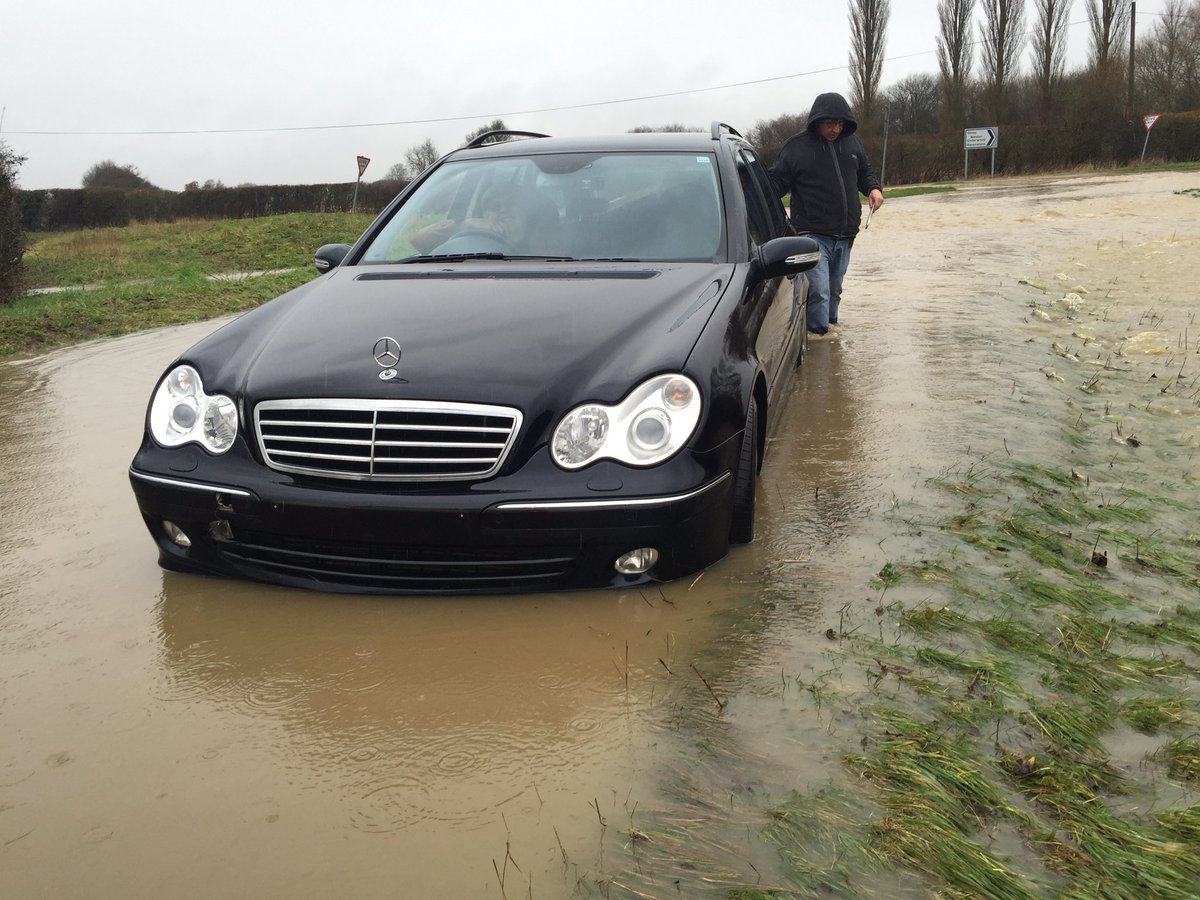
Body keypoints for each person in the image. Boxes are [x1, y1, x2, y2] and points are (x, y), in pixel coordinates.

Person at [769, 92, 883, 335]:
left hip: (845, 235)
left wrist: (873, 188)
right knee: (819, 291)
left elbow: (865, 172)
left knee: (834, 291)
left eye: (840, 124)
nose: (836, 129)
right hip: (811, 235)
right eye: (830, 123)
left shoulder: (853, 143)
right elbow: (775, 183)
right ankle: (817, 336)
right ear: (817, 121)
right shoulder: (796, 147)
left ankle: (830, 337)